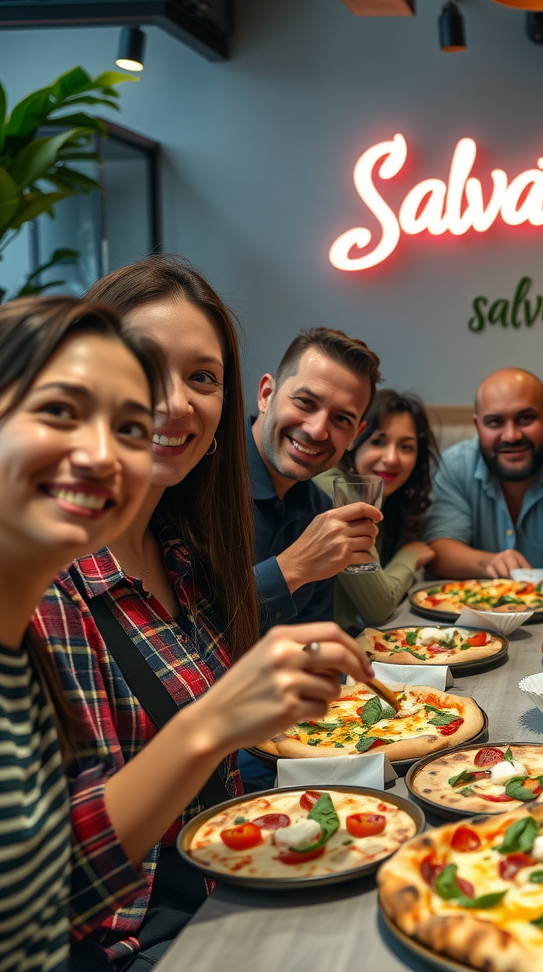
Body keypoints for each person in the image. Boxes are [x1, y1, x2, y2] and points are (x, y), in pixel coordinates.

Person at [34, 258, 374, 969]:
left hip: (229, 881)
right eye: (144, 364)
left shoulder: (185, 556)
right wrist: (218, 718)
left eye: (201, 378)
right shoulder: (43, 583)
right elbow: (53, 889)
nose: (176, 403)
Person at [0, 296, 164, 972]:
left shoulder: (26, 657)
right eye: (61, 411)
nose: (101, 454)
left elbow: (46, 896)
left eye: (130, 429)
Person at [249, 327, 383, 632]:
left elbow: (311, 640)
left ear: (354, 436)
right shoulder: (199, 476)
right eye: (305, 402)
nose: (317, 430)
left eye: (341, 419)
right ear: (266, 395)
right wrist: (295, 566)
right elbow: (184, 629)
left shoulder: (320, 508)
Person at [425, 368, 543, 578]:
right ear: (478, 426)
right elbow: (438, 550)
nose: (511, 435)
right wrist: (489, 562)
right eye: (494, 422)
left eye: (525, 418)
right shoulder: (453, 465)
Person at [313, 390, 438, 630]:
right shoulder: (335, 488)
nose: (392, 458)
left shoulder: (385, 499)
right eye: (378, 442)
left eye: (406, 447)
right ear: (354, 440)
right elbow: (378, 608)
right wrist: (410, 556)